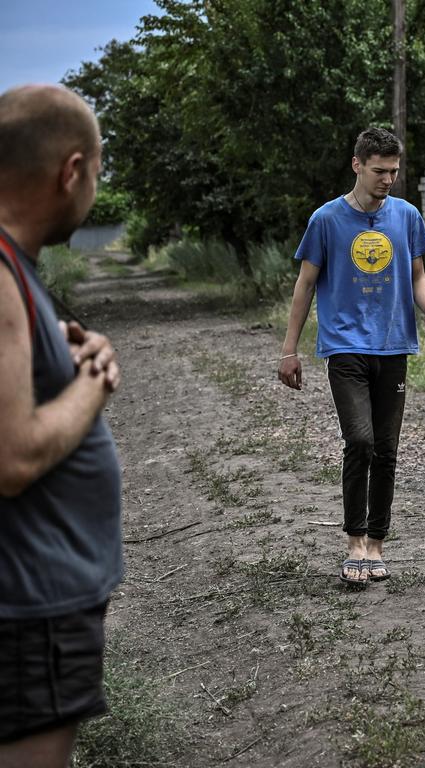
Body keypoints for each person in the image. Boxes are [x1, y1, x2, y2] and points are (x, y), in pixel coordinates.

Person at [0, 85, 123, 767]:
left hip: (39, 604)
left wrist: (70, 349)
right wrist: (94, 381)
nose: (94, 190)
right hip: (30, 612)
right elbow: (11, 457)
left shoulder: (17, 272)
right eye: (99, 172)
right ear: (70, 171)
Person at [278, 127, 425, 587]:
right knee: (361, 441)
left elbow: (417, 277)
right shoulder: (327, 220)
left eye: (393, 170)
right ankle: (354, 541)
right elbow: (305, 286)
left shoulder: (407, 216)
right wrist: (289, 349)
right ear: (357, 165)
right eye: (379, 170)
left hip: (393, 346)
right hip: (345, 346)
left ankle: (376, 543)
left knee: (387, 449)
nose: (388, 178)